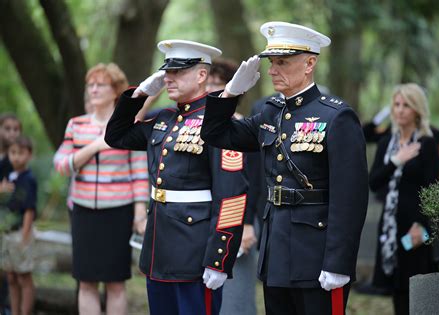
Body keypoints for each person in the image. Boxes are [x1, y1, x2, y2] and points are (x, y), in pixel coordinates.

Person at [201, 21, 368, 315]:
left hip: (316, 254)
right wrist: (230, 93)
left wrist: (338, 262)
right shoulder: (270, 111)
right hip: (276, 250)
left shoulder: (336, 116)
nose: (273, 70)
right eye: (272, 63)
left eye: (283, 62)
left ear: (309, 64)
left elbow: (350, 198)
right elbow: (216, 134)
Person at [105, 40, 248, 315]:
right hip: (159, 248)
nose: (168, 78)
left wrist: (219, 258)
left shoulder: (218, 122)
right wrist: (140, 94)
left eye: (178, 72)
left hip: (195, 252)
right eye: (166, 72)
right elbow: (116, 136)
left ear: (202, 75)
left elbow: (231, 196)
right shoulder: (164, 118)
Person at [53, 63, 149, 315]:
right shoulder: (76, 125)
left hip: (118, 212)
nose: (93, 89)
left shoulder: (128, 126)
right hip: (83, 212)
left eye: (100, 84)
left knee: (116, 283)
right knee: (85, 281)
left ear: (115, 90)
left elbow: (140, 173)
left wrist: (140, 213)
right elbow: (61, 165)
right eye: (90, 84)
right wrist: (95, 146)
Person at [369, 83, 439, 315]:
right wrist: (396, 161)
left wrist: (421, 224)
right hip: (391, 229)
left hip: (416, 228)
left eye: (406, 105)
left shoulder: (427, 143)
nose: (399, 110)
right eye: (397, 105)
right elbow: (374, 182)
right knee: (397, 287)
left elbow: (433, 189)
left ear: (417, 110)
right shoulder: (385, 144)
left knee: (418, 286)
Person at [206, 58, 258, 315]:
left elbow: (254, 179)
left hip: (239, 218)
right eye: (208, 82)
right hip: (208, 217)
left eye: (219, 83)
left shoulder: (243, 126)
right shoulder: (202, 126)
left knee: (237, 289)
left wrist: (247, 223)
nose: (212, 88)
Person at [0, 135, 37, 315]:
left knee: (24, 277)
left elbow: (30, 209)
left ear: (29, 155)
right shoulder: (8, 178)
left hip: (21, 233)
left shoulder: (28, 179)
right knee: (11, 277)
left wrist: (24, 235)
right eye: (12, 152)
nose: (16, 157)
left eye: (20, 153)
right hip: (7, 233)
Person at [363, 106, 439, 180]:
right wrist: (382, 115)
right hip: (384, 196)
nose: (401, 110)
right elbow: (366, 134)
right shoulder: (390, 132)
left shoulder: (432, 135)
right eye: (397, 105)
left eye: (406, 105)